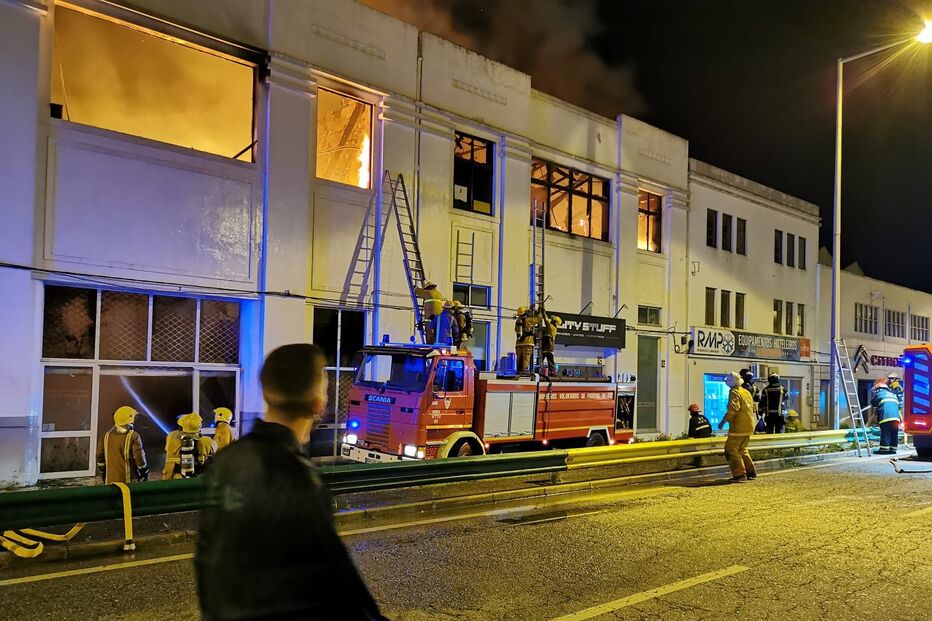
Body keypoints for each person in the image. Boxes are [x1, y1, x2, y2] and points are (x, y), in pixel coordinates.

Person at [196, 343, 386, 621]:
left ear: (265, 393)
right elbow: (342, 588)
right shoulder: (300, 479)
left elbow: (206, 557)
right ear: (318, 404)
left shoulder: (226, 461)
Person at [718, 372, 757, 482]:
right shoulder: (746, 392)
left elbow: (733, 409)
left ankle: (739, 474)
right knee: (742, 449)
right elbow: (753, 408)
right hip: (749, 425)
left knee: (730, 449)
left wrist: (723, 422)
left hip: (738, 427)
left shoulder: (734, 392)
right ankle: (751, 472)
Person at [96, 406, 149, 484]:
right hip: (129, 482)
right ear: (130, 418)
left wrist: (103, 472)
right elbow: (139, 457)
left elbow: (99, 456)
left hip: (110, 482)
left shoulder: (105, 436)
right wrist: (144, 471)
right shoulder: (133, 436)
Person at [163, 413, 215, 479]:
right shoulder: (206, 440)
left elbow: (168, 452)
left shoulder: (171, 436)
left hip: (174, 476)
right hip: (196, 478)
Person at [868, 377, 902, 455]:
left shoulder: (879, 394)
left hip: (886, 417)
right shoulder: (893, 394)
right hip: (896, 418)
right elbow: (898, 408)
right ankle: (893, 449)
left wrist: (869, 423)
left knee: (885, 433)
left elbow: (873, 403)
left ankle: (884, 449)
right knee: (894, 433)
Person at [514, 306, 539, 374]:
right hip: (528, 342)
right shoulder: (529, 320)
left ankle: (519, 371)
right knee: (526, 358)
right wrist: (537, 312)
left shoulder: (518, 320)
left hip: (518, 343)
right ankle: (524, 371)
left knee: (519, 358)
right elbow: (539, 319)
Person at [539, 307, 562, 374]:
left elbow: (546, 321)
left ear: (554, 321)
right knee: (550, 361)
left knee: (542, 360)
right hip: (549, 347)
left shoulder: (551, 327)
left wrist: (543, 312)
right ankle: (552, 371)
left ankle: (540, 371)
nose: (551, 320)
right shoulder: (554, 328)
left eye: (552, 320)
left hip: (547, 346)